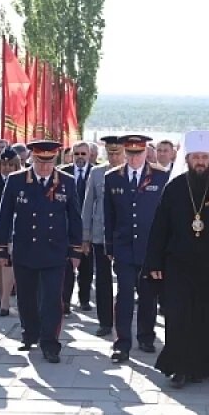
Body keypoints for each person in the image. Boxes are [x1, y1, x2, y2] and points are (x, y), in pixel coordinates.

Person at [146, 129, 209, 388]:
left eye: (204, 157)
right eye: (195, 157)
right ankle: (179, 367)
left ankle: (205, 365)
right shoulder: (175, 187)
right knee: (177, 315)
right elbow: (160, 227)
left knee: (205, 315)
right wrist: (154, 263)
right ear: (186, 159)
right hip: (178, 263)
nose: (200, 162)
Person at [0, 140, 84, 363]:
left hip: (55, 251)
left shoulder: (66, 182)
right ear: (32, 158)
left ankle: (50, 342)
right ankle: (29, 333)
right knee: (26, 297)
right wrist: (0, 249)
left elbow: (74, 218)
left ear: (56, 160)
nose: (44, 166)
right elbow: (4, 215)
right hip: (25, 248)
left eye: (49, 161)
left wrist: (75, 250)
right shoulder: (17, 181)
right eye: (40, 161)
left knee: (53, 298)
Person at [104, 134, 170, 363]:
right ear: (124, 152)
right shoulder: (113, 177)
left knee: (148, 295)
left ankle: (146, 336)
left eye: (138, 154)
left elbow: (165, 216)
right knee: (123, 295)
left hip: (150, 248)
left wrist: (163, 249)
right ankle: (121, 343)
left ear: (146, 152)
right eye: (130, 154)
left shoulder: (161, 176)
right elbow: (109, 215)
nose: (133, 159)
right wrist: (109, 246)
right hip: (123, 247)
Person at [82, 135, 124, 336]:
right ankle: (105, 322)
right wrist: (85, 236)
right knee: (102, 280)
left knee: (127, 281)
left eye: (117, 152)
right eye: (110, 152)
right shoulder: (97, 173)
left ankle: (125, 320)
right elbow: (88, 204)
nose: (114, 157)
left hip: (124, 235)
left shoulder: (129, 172)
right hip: (100, 235)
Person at [59, 140, 96, 314]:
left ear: (89, 155)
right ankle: (65, 301)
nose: (80, 157)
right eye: (77, 154)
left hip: (88, 226)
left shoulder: (95, 173)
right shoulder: (62, 173)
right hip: (67, 226)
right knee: (67, 266)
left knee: (86, 267)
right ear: (71, 155)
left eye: (83, 154)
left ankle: (84, 299)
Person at [0, 148, 22, 316]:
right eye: (3, 164)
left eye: (11, 165)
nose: (7, 168)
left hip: (14, 226)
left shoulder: (22, 180)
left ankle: (5, 299)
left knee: (8, 262)